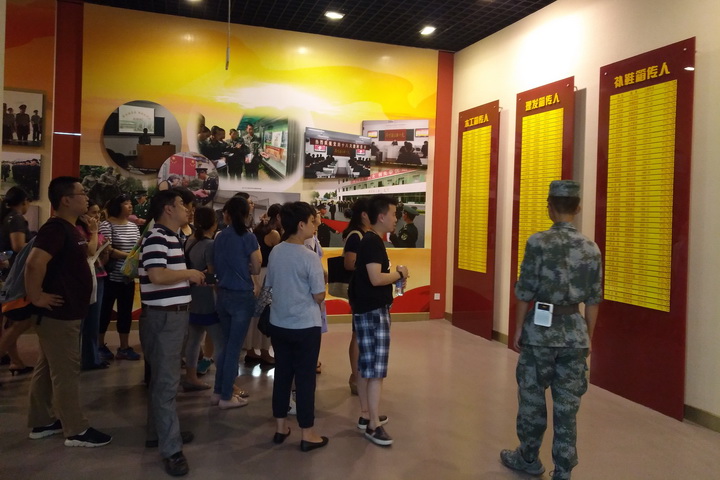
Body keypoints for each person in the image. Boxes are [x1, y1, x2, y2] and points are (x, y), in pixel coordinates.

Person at [500, 180, 602, 480]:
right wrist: (588, 337)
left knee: (532, 400)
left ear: (549, 207)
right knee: (567, 407)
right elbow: (594, 300)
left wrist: (518, 328)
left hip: (539, 333)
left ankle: (528, 458)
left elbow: (525, 291)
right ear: (578, 208)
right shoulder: (591, 248)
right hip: (574, 334)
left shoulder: (537, 243)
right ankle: (564, 470)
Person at [25, 176, 112, 447]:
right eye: (82, 193)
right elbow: (34, 263)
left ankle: (41, 421)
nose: (86, 198)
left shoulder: (70, 228)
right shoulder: (55, 229)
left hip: (66, 313)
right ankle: (76, 429)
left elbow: (83, 256)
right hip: (58, 315)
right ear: (65, 200)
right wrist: (36, 296)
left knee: (47, 367)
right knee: (66, 372)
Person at [138, 189, 205, 477]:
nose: (187, 210)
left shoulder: (169, 237)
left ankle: (160, 433)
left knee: (162, 380)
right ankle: (171, 450)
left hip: (170, 318)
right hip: (164, 319)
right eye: (182, 205)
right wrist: (189, 274)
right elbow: (157, 275)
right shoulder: (158, 237)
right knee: (166, 383)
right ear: (168, 209)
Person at [263, 202, 328, 451]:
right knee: (305, 379)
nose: (315, 225)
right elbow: (318, 295)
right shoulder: (309, 257)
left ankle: (280, 427)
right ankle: (307, 433)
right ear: (301, 225)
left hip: (279, 323)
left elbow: (270, 285)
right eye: (312, 221)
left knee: (282, 375)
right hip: (305, 326)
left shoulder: (276, 252)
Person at [348, 194, 408, 446]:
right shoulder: (373, 242)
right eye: (393, 214)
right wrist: (399, 274)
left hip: (366, 310)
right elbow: (375, 278)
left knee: (366, 367)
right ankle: (373, 424)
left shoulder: (370, 240)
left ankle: (366, 414)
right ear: (381, 216)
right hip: (374, 312)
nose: (396, 218)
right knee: (375, 371)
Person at [212, 196, 261, 409]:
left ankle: (218, 391)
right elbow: (257, 266)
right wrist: (248, 268)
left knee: (225, 345)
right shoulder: (248, 237)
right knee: (234, 348)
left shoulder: (220, 236)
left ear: (227, 215)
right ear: (246, 214)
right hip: (241, 295)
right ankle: (226, 396)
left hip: (222, 294)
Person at [181, 206, 223, 391]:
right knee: (219, 342)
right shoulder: (210, 245)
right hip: (208, 298)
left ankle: (191, 377)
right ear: (213, 223)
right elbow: (212, 276)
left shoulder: (189, 241)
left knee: (194, 339)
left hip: (192, 296)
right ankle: (225, 383)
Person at [98, 194, 142, 361]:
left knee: (125, 313)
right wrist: (130, 257)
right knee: (105, 312)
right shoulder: (106, 224)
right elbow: (107, 250)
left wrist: (133, 258)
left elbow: (137, 247)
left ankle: (124, 347)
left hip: (127, 278)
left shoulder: (133, 226)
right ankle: (99, 345)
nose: (130, 206)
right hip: (110, 276)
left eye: (130, 203)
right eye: (126, 203)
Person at [0, 186, 34, 376]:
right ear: (24, 201)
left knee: (10, 323)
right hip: (12, 277)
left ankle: (16, 361)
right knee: (20, 322)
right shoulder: (17, 219)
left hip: (5, 275)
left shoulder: (6, 217)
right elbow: (19, 246)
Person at [244, 203, 282, 365]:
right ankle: (265, 351)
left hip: (255, 275)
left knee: (253, 315)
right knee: (266, 314)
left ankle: (251, 350)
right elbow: (280, 256)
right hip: (267, 276)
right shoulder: (274, 234)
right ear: (278, 217)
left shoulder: (258, 230)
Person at [78, 200, 111, 370]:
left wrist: (105, 250)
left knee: (94, 320)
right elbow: (90, 251)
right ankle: (82, 358)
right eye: (93, 212)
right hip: (83, 278)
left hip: (99, 275)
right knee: (82, 321)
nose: (97, 216)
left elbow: (103, 257)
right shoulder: (79, 231)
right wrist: (94, 232)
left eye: (99, 212)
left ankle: (92, 357)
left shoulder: (97, 232)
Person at [341, 198, 370, 395]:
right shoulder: (356, 235)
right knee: (358, 335)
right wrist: (372, 266)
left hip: (363, 290)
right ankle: (355, 376)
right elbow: (349, 263)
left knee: (360, 334)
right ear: (364, 215)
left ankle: (359, 376)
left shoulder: (365, 234)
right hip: (359, 290)